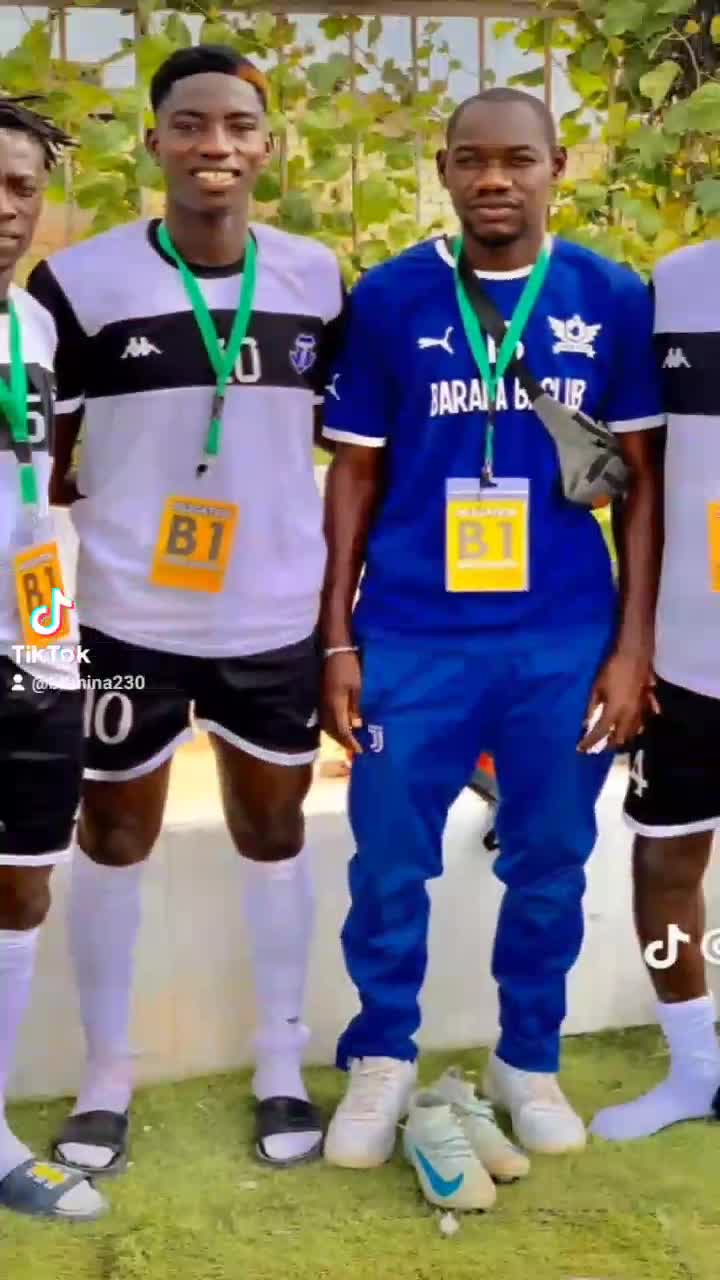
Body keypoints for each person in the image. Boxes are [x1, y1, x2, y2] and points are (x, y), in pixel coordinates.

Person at [319, 87, 665, 1168]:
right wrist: (338, 638)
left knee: (551, 855)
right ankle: (382, 1053)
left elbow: (641, 482)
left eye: (518, 158)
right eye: (472, 160)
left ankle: (529, 1056)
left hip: (561, 635)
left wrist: (632, 647)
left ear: (559, 165)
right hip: (413, 633)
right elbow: (355, 475)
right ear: (445, 169)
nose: (495, 179)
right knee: (388, 859)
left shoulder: (609, 296)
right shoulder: (391, 297)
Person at [26, 46, 344, 1174]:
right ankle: (107, 1074)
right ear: (155, 140)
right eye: (193, 124)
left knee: (274, 829)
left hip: (274, 620)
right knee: (114, 835)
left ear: (268, 145)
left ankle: (280, 1064)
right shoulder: (78, 285)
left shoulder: (317, 276)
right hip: (124, 620)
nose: (217, 145)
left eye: (239, 126)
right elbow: (43, 462)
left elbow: (347, 446)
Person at [0, 97, 106, 1220]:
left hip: (34, 645)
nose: (6, 206)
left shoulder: (33, 323)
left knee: (21, 882)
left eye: (21, 186)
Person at [591, 241, 720, 1142]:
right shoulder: (672, 285)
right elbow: (639, 467)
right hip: (687, 652)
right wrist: (634, 642)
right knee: (667, 861)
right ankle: (695, 1071)